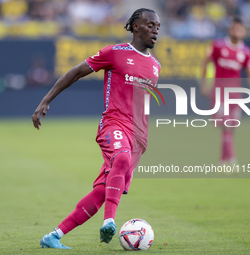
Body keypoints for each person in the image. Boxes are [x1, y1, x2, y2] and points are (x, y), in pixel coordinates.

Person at [31, 8, 161, 249]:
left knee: (102, 192)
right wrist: (46, 100)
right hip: (113, 123)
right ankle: (109, 221)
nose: (156, 30)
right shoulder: (115, 53)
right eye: (151, 25)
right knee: (119, 159)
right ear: (136, 26)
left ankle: (54, 236)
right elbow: (76, 72)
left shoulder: (155, 66)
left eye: (158, 27)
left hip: (139, 139)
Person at [200, 17, 250, 165]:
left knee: (231, 127)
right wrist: (204, 84)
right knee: (226, 123)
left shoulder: (246, 52)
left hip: (236, 94)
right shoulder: (218, 46)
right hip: (220, 92)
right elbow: (205, 63)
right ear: (230, 30)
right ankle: (232, 158)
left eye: (239, 29)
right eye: (234, 28)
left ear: (244, 32)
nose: (236, 31)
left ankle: (222, 159)